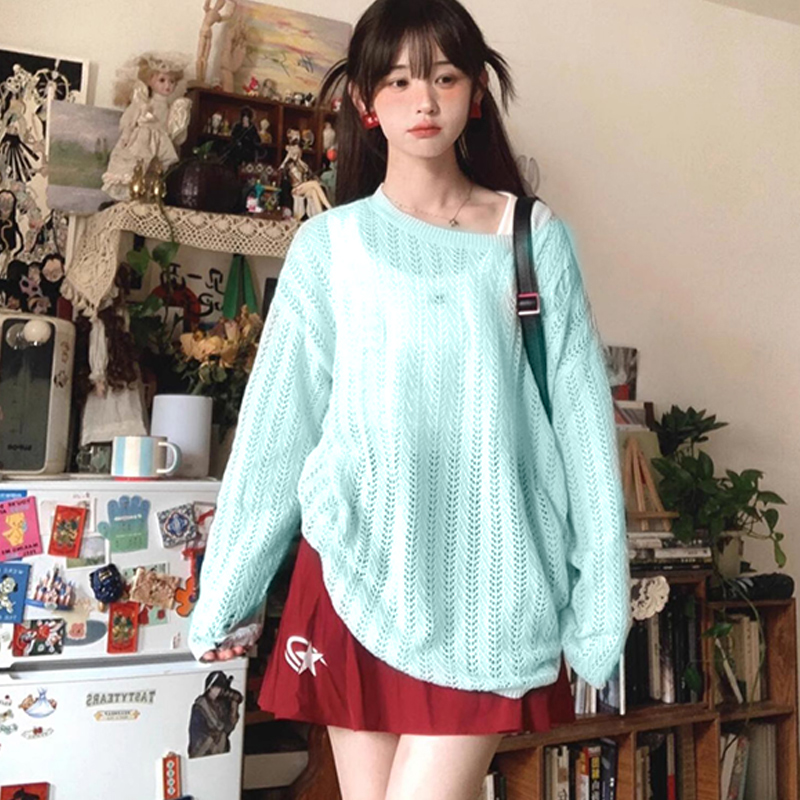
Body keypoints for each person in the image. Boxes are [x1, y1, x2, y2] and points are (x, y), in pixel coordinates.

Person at [188, 0, 630, 798]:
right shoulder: (331, 246)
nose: (422, 100)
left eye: (445, 77)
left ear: (476, 92)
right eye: (397, 81)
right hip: (355, 568)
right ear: (365, 99)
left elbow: (585, 434)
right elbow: (277, 430)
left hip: (490, 584)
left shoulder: (532, 239)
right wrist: (226, 593)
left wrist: (600, 607)